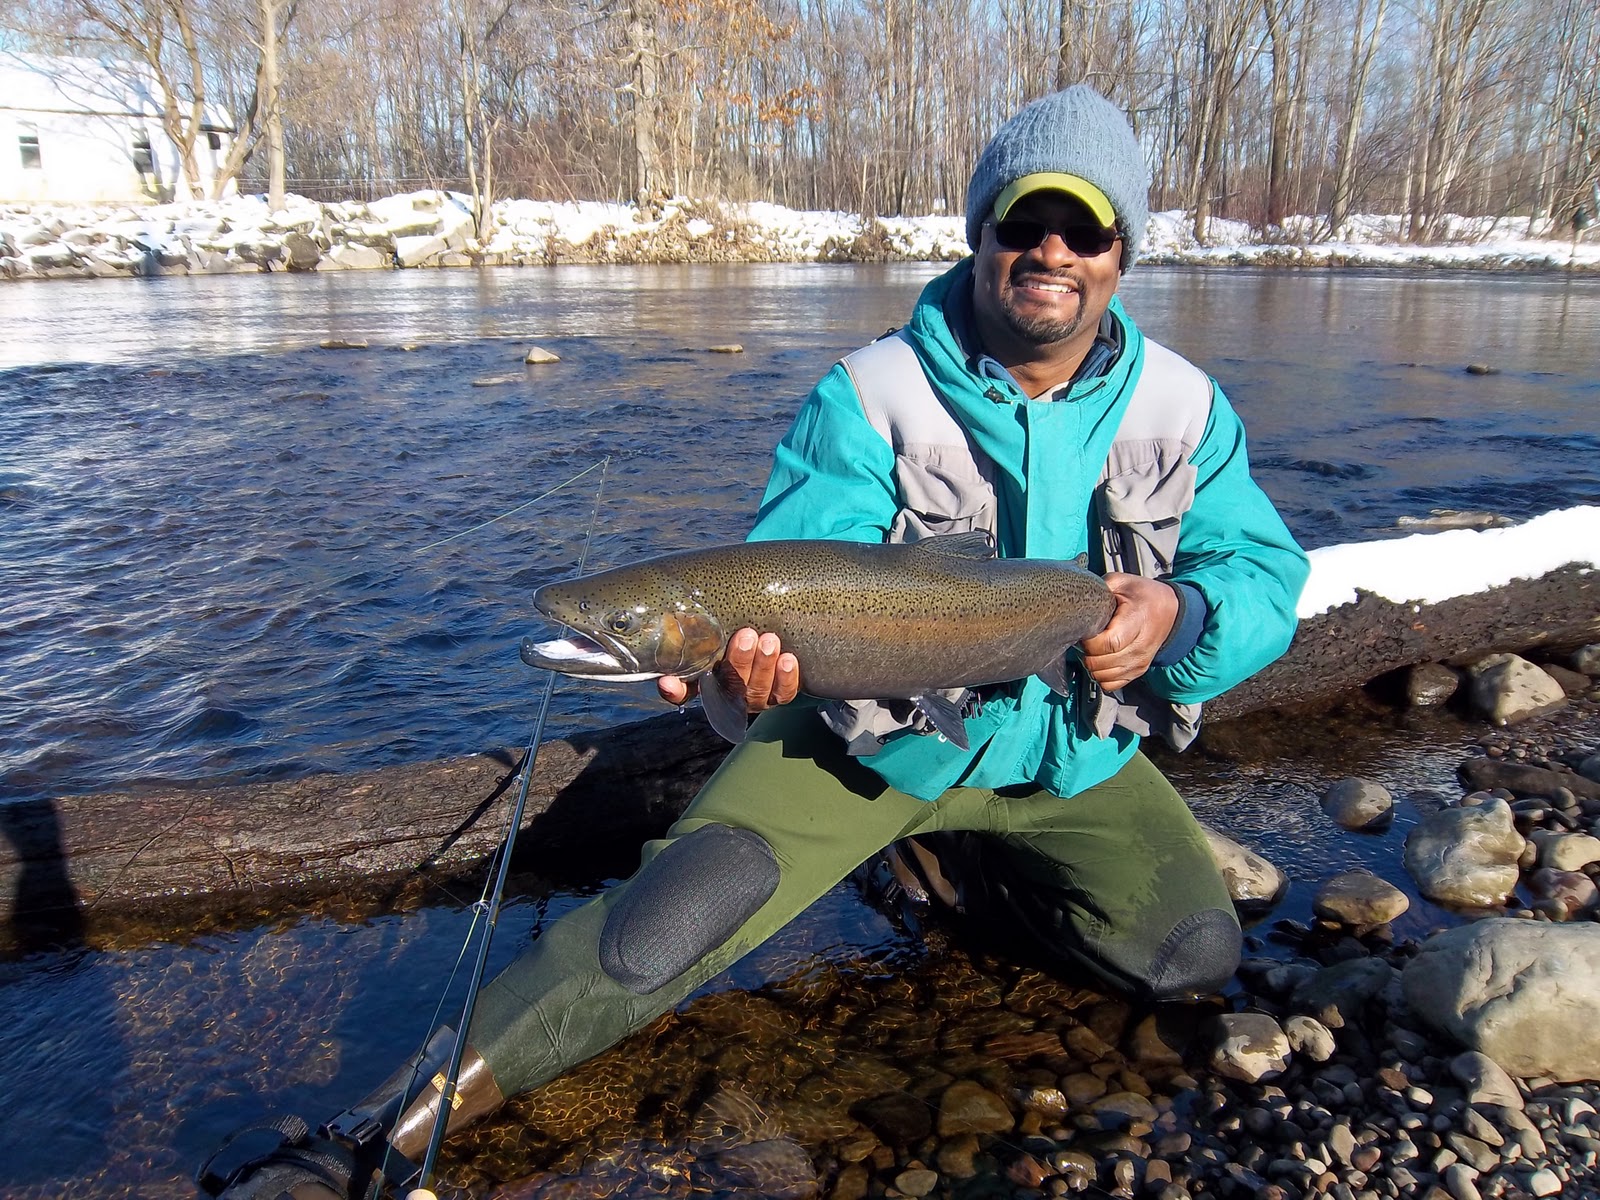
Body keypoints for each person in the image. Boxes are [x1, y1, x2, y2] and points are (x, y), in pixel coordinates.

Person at [199, 85, 1309, 1200]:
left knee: (1190, 958)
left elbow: (1264, 574)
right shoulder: (869, 393)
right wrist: (754, 677)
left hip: (1067, 755)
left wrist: (1180, 616)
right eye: (1021, 224)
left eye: (1085, 229)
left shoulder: (1186, 404)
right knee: (659, 931)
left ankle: (956, 866)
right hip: (880, 750)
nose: (1050, 251)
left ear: (1124, 250)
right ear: (979, 234)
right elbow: (798, 559)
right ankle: (368, 1137)